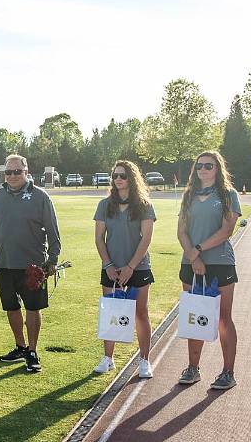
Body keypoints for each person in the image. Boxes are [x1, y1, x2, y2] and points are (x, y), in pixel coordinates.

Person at [0, 154, 61, 372]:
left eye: (17, 172)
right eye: (8, 172)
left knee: (33, 308)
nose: (13, 176)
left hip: (33, 265)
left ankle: (32, 351)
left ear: (26, 172)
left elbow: (53, 232)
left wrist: (52, 260)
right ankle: (20, 346)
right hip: (4, 263)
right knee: (11, 307)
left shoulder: (40, 196)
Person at [177, 150, 241, 389]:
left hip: (220, 262)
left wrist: (198, 251)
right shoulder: (189, 195)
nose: (203, 169)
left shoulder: (228, 195)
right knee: (194, 315)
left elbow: (227, 230)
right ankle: (193, 369)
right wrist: (193, 257)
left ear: (218, 169)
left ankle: (228, 372)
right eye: (200, 166)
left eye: (209, 166)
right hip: (190, 263)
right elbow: (181, 231)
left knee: (223, 318)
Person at [93, 161, 156, 378]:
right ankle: (108, 358)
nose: (118, 179)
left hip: (138, 267)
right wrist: (109, 265)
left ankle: (145, 360)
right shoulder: (104, 204)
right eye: (115, 175)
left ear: (132, 178)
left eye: (122, 175)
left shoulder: (144, 205)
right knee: (111, 312)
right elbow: (99, 238)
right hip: (111, 268)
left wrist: (130, 267)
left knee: (140, 313)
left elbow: (146, 238)